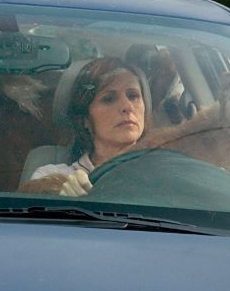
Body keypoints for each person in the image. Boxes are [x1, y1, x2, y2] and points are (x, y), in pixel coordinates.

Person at [24, 57, 151, 196]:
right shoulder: (51, 177)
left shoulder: (164, 170)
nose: (127, 106)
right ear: (85, 119)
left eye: (133, 96)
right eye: (108, 99)